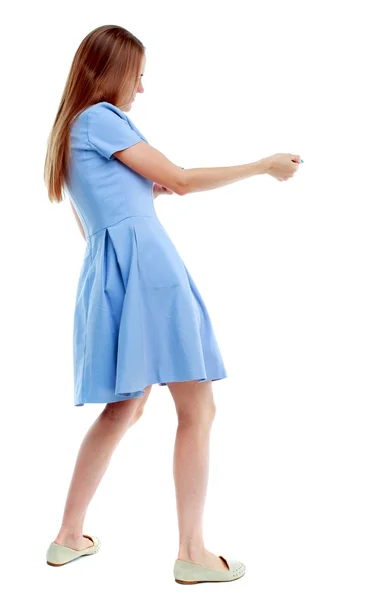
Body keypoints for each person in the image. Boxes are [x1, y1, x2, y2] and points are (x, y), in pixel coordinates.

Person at [43, 24, 301, 584]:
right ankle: (193, 552)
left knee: (127, 407)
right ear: (111, 72)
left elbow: (98, 221)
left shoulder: (69, 133)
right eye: (137, 75)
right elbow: (181, 180)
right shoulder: (101, 119)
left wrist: (141, 192)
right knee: (197, 407)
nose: (140, 88)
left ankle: (68, 537)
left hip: (113, 273)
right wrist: (263, 166)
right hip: (150, 270)